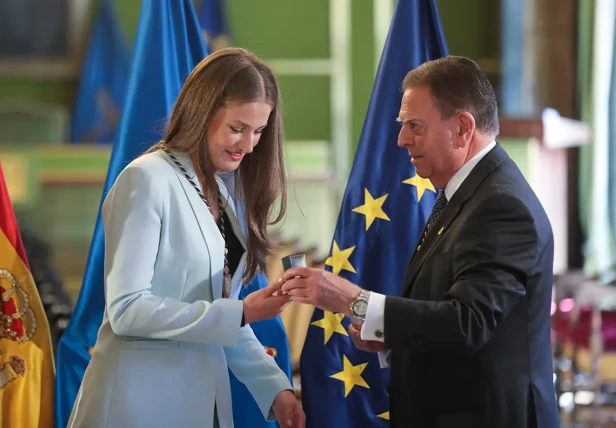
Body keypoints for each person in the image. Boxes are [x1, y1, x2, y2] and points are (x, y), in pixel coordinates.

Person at [280, 56, 559, 428]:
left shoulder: (500, 206)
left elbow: (468, 322)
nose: (401, 139)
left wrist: (352, 300)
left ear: (462, 127)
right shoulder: (467, 193)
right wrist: (391, 338)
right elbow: (448, 313)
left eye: (414, 126)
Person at [67, 47, 305, 428]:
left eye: (259, 131)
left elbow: (221, 317)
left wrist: (276, 390)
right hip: (136, 407)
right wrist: (243, 311)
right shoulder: (146, 178)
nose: (248, 145)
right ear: (202, 111)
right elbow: (127, 310)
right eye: (237, 128)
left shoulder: (222, 193)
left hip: (202, 406)